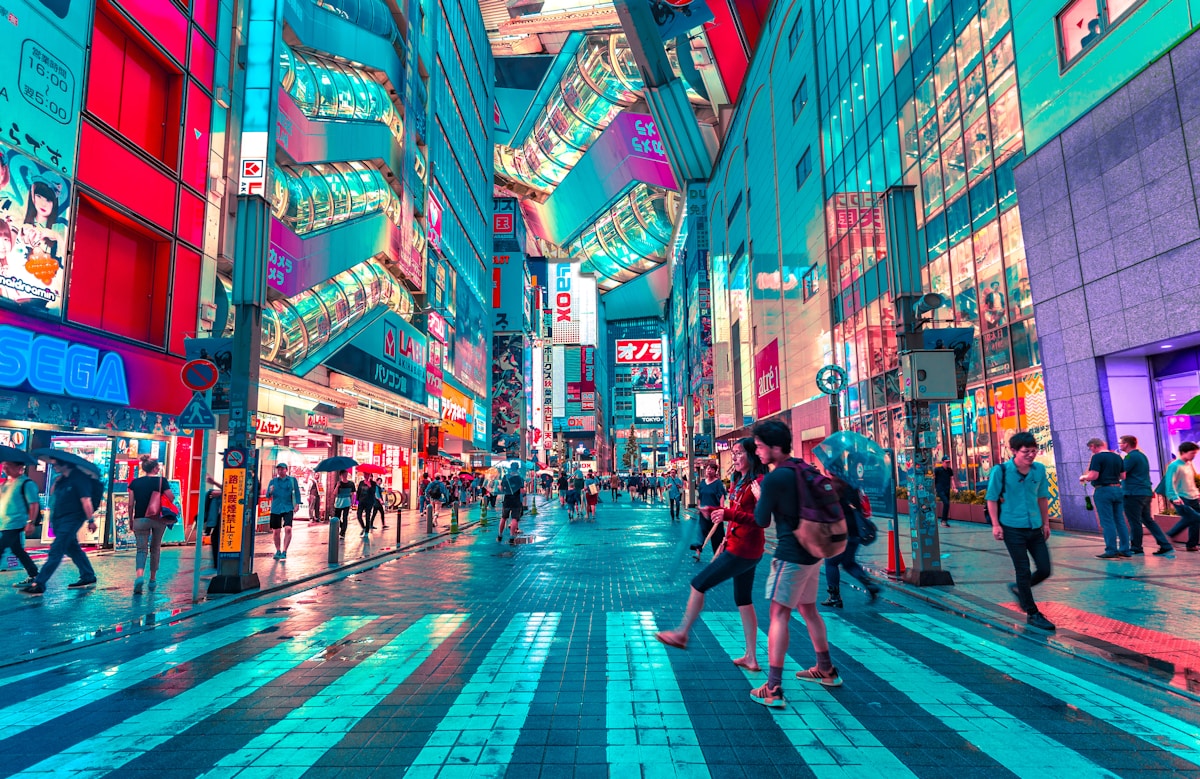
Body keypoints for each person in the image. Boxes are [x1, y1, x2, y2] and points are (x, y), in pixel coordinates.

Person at [751, 420, 842, 706]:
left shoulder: (776, 478)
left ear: (776, 447)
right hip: (814, 551)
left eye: (760, 447)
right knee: (809, 609)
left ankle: (774, 688)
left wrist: (759, 497)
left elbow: (761, 520)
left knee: (778, 615)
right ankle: (826, 669)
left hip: (791, 555)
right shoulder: (803, 468)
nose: (758, 453)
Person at [656, 438, 767, 671]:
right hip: (742, 545)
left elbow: (761, 520)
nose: (734, 457)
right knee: (743, 600)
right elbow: (736, 511)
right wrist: (722, 521)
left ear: (752, 456)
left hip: (744, 549)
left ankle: (682, 634)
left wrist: (726, 515)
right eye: (734, 453)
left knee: (698, 583)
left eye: (738, 453)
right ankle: (751, 657)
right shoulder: (739, 481)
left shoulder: (758, 482)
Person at [988, 432, 1056, 631]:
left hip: (1035, 527)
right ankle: (1032, 612)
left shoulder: (1039, 470)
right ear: (1014, 451)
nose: (1031, 455)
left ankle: (1020, 589)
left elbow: (1042, 498)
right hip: (1012, 527)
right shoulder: (1000, 471)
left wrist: (1046, 523)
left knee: (1045, 569)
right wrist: (995, 525)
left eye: (1034, 451)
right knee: (1023, 569)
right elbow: (991, 498)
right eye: (1026, 452)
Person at [21, 460, 98, 595]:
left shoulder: (80, 479)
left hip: (72, 519)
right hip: (59, 520)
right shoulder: (61, 479)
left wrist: (91, 520)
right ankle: (88, 575)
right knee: (73, 549)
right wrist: (57, 482)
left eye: (56, 464)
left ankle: (39, 583)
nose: (54, 466)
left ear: (65, 464)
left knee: (56, 550)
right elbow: (53, 495)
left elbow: (86, 501)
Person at [820, 476, 880, 607]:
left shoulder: (832, 487)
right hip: (855, 531)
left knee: (831, 563)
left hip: (839, 532)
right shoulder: (853, 487)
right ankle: (867, 582)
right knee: (848, 563)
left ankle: (834, 596)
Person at [1119, 435, 1172, 555]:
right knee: (1147, 520)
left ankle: (1136, 547)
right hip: (1145, 492)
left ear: (1126, 444)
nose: (1120, 445)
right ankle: (1165, 544)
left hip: (1133, 493)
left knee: (1135, 521)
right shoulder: (1142, 456)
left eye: (1121, 443)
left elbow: (1122, 473)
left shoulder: (1130, 457)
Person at [128, 457, 174, 592]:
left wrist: (131, 519)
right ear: (155, 468)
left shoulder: (134, 483)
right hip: (158, 518)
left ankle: (139, 576)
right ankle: (152, 580)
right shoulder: (162, 481)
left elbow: (130, 504)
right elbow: (170, 497)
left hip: (140, 519)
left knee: (141, 549)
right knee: (155, 548)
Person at [1081, 438, 1130, 559]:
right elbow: (1123, 476)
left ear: (1093, 446)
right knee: (1120, 520)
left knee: (1107, 521)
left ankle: (1111, 550)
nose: (1091, 451)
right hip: (1118, 489)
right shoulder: (1117, 457)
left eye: (1090, 448)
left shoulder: (1097, 457)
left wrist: (1084, 477)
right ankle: (1125, 549)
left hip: (1103, 490)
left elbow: (1094, 475)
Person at [0, 458, 40, 588]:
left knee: (1, 548)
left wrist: (30, 522)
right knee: (17, 550)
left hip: (15, 523)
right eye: (4, 465)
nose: (5, 468)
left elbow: (33, 504)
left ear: (19, 468)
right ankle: (34, 575)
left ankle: (35, 575)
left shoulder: (26, 483)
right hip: (4, 523)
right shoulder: (5, 484)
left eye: (8, 465)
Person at [1164, 442, 1200, 552]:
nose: (1194, 456)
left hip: (1192, 496)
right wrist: (1174, 497)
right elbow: (1169, 482)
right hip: (1181, 497)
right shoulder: (1174, 465)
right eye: (1192, 453)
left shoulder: (1189, 465)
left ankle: (1191, 545)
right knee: (1194, 517)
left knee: (1195, 520)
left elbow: (1190, 481)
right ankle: (1169, 535)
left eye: (1195, 453)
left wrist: (1197, 493)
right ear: (1183, 452)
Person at [266, 463, 302, 559]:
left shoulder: (292, 480)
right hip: (276, 508)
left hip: (288, 507)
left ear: (286, 470)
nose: (280, 471)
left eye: (282, 469)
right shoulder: (273, 481)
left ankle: (285, 551)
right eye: (279, 469)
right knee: (276, 531)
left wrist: (297, 504)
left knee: (288, 529)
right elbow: (267, 495)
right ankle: (278, 550)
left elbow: (297, 493)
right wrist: (270, 491)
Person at [695, 462, 726, 560]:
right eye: (708, 468)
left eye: (711, 469)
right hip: (703, 514)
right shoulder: (702, 483)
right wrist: (699, 507)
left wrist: (721, 509)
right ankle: (697, 554)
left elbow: (721, 496)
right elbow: (700, 496)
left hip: (715, 514)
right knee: (700, 534)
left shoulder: (718, 483)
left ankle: (719, 556)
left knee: (717, 537)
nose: (709, 470)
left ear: (715, 471)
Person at [498, 464, 525, 544]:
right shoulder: (519, 478)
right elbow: (522, 491)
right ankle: (511, 536)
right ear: (517, 469)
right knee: (514, 519)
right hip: (516, 501)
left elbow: (502, 489)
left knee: (503, 517)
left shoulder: (505, 477)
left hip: (507, 500)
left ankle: (500, 535)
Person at [202, 480, 222, 570]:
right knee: (215, 537)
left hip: (226, 517)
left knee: (216, 538)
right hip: (219, 517)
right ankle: (217, 563)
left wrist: (214, 483)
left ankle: (217, 563)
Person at [933, 457, 955, 526]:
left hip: (947, 489)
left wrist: (954, 487)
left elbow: (952, 479)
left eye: (948, 462)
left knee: (947, 504)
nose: (947, 464)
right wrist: (933, 488)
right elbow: (933, 478)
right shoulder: (938, 470)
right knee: (946, 503)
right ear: (942, 462)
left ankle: (944, 520)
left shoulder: (949, 470)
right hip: (940, 489)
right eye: (946, 462)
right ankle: (943, 520)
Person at [333, 470, 354, 539]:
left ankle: (343, 533)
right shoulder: (338, 483)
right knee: (337, 517)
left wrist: (352, 502)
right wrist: (337, 486)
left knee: (345, 518)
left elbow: (352, 493)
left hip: (347, 502)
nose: (345, 475)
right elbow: (334, 493)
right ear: (340, 475)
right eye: (343, 474)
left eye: (346, 474)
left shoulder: (351, 483)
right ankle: (342, 526)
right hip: (338, 502)